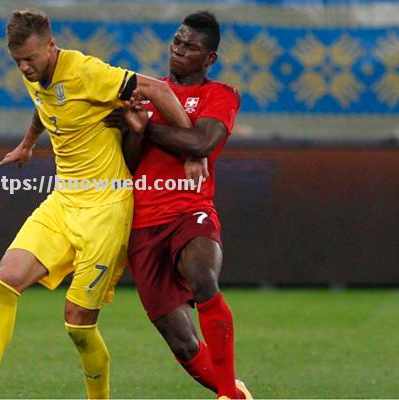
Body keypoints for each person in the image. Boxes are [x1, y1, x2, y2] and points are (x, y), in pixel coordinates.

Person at [0, 9, 194, 400]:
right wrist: (27, 144)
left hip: (106, 211)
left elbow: (159, 90)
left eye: (31, 59)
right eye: (17, 61)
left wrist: (192, 151)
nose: (24, 68)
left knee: (78, 326)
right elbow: (46, 105)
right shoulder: (35, 74)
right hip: (63, 201)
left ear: (51, 47)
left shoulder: (88, 72)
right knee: (4, 281)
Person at [105, 11, 252, 400]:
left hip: (190, 211)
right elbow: (131, 163)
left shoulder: (220, 94)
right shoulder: (149, 93)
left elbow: (202, 144)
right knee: (184, 344)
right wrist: (136, 131)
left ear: (209, 59)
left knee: (204, 277)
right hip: (142, 224)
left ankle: (227, 396)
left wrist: (147, 127)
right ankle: (235, 394)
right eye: (176, 42)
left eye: (191, 47)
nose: (179, 51)